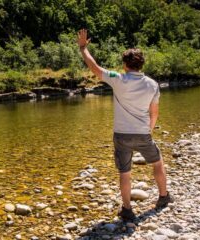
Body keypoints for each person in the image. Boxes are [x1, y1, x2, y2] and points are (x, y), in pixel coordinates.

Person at [77, 29, 174, 221]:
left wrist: (83, 48)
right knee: (157, 163)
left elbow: (95, 67)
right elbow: (154, 113)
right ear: (141, 64)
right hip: (143, 134)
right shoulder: (153, 85)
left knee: (125, 173)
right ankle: (163, 197)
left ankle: (127, 210)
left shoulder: (118, 79)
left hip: (121, 135)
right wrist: (149, 130)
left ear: (125, 64)